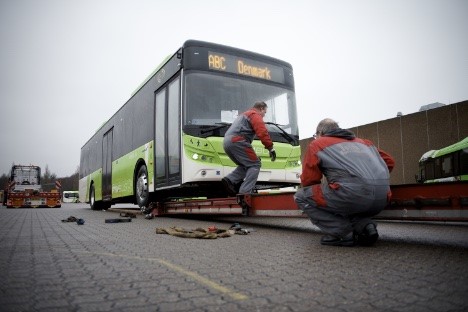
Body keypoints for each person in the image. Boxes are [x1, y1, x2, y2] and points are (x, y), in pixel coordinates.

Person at [294, 118, 395, 247]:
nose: (316, 138)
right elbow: (390, 161)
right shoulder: (365, 143)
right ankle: (365, 225)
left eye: (316, 135)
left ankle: (343, 233)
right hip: (383, 198)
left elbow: (309, 180)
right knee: (346, 198)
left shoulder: (318, 144)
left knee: (301, 196)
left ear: (320, 133)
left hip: (353, 195)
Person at [222, 101, 276, 196]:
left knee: (246, 164)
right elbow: (262, 132)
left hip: (227, 142)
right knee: (255, 164)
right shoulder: (254, 115)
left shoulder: (244, 115)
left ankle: (230, 180)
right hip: (238, 141)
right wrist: (270, 148)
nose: (263, 116)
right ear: (261, 108)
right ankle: (245, 192)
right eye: (264, 113)